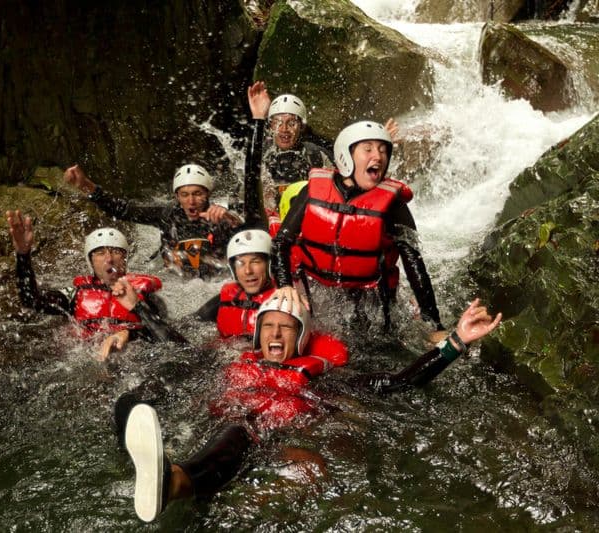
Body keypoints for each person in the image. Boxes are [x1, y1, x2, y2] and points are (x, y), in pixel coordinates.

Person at [120, 297, 501, 522]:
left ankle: (186, 487)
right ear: (256, 336)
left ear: (300, 339)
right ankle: (169, 477)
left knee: (277, 449)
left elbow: (397, 382)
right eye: (268, 327)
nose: (274, 334)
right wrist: (137, 314)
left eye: (286, 329)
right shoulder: (230, 367)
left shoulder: (320, 379)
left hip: (275, 439)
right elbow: (181, 349)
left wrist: (456, 342)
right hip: (223, 430)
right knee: (230, 426)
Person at [271, 120, 444, 333]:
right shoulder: (312, 191)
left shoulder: (394, 205)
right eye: (368, 149)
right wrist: (284, 285)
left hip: (373, 305)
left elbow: (414, 265)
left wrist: (434, 325)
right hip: (318, 294)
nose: (378, 156)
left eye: (383, 150)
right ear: (346, 156)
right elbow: (281, 242)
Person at [6, 211, 182, 359]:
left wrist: (129, 334)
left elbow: (173, 344)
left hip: (136, 361)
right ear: (90, 261)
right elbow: (30, 299)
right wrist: (23, 255)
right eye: (100, 253)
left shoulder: (146, 296)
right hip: (85, 362)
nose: (109, 258)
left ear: (125, 258)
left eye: (115, 252)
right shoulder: (74, 294)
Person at [245, 81, 399, 236]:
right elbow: (250, 188)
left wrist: (374, 147)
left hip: (309, 218)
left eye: (292, 123)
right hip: (271, 222)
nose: (284, 129)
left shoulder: (317, 155)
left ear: (302, 127)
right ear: (270, 126)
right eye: (278, 123)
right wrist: (258, 117)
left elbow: (350, 179)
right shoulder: (261, 155)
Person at [63, 163, 245, 278]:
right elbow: (122, 210)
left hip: (213, 281)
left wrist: (233, 221)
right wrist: (86, 185)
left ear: (208, 194)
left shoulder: (222, 218)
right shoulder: (166, 216)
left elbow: (253, 239)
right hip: (176, 284)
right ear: (176, 196)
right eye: (184, 195)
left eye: (197, 194)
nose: (191, 201)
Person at [193, 229, 276, 338]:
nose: (248, 271)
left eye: (255, 262)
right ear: (233, 269)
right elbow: (192, 323)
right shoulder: (229, 296)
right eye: (240, 263)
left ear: (269, 264)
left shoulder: (282, 300)